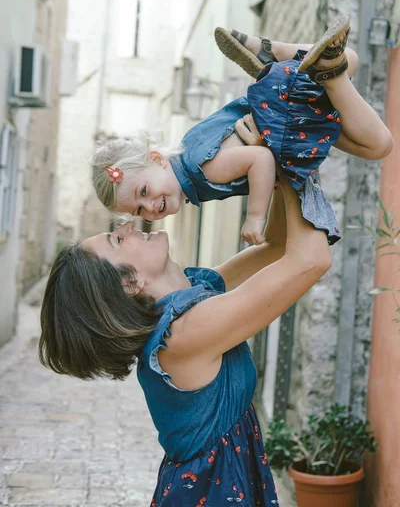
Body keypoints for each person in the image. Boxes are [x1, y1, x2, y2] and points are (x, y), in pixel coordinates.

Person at [39, 169, 332, 506]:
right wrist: (298, 158)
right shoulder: (184, 333)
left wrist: (275, 164)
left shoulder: (190, 298)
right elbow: (311, 260)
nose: (128, 226)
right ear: (130, 283)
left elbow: (278, 247)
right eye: (117, 239)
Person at [90, 16, 392, 245]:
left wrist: (255, 216)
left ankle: (299, 62)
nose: (151, 207)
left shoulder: (203, 170)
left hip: (285, 123)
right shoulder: (189, 150)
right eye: (140, 212)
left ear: (157, 159)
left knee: (379, 144)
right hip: (279, 112)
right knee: (346, 61)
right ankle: (275, 54)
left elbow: (259, 161)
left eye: (144, 192)